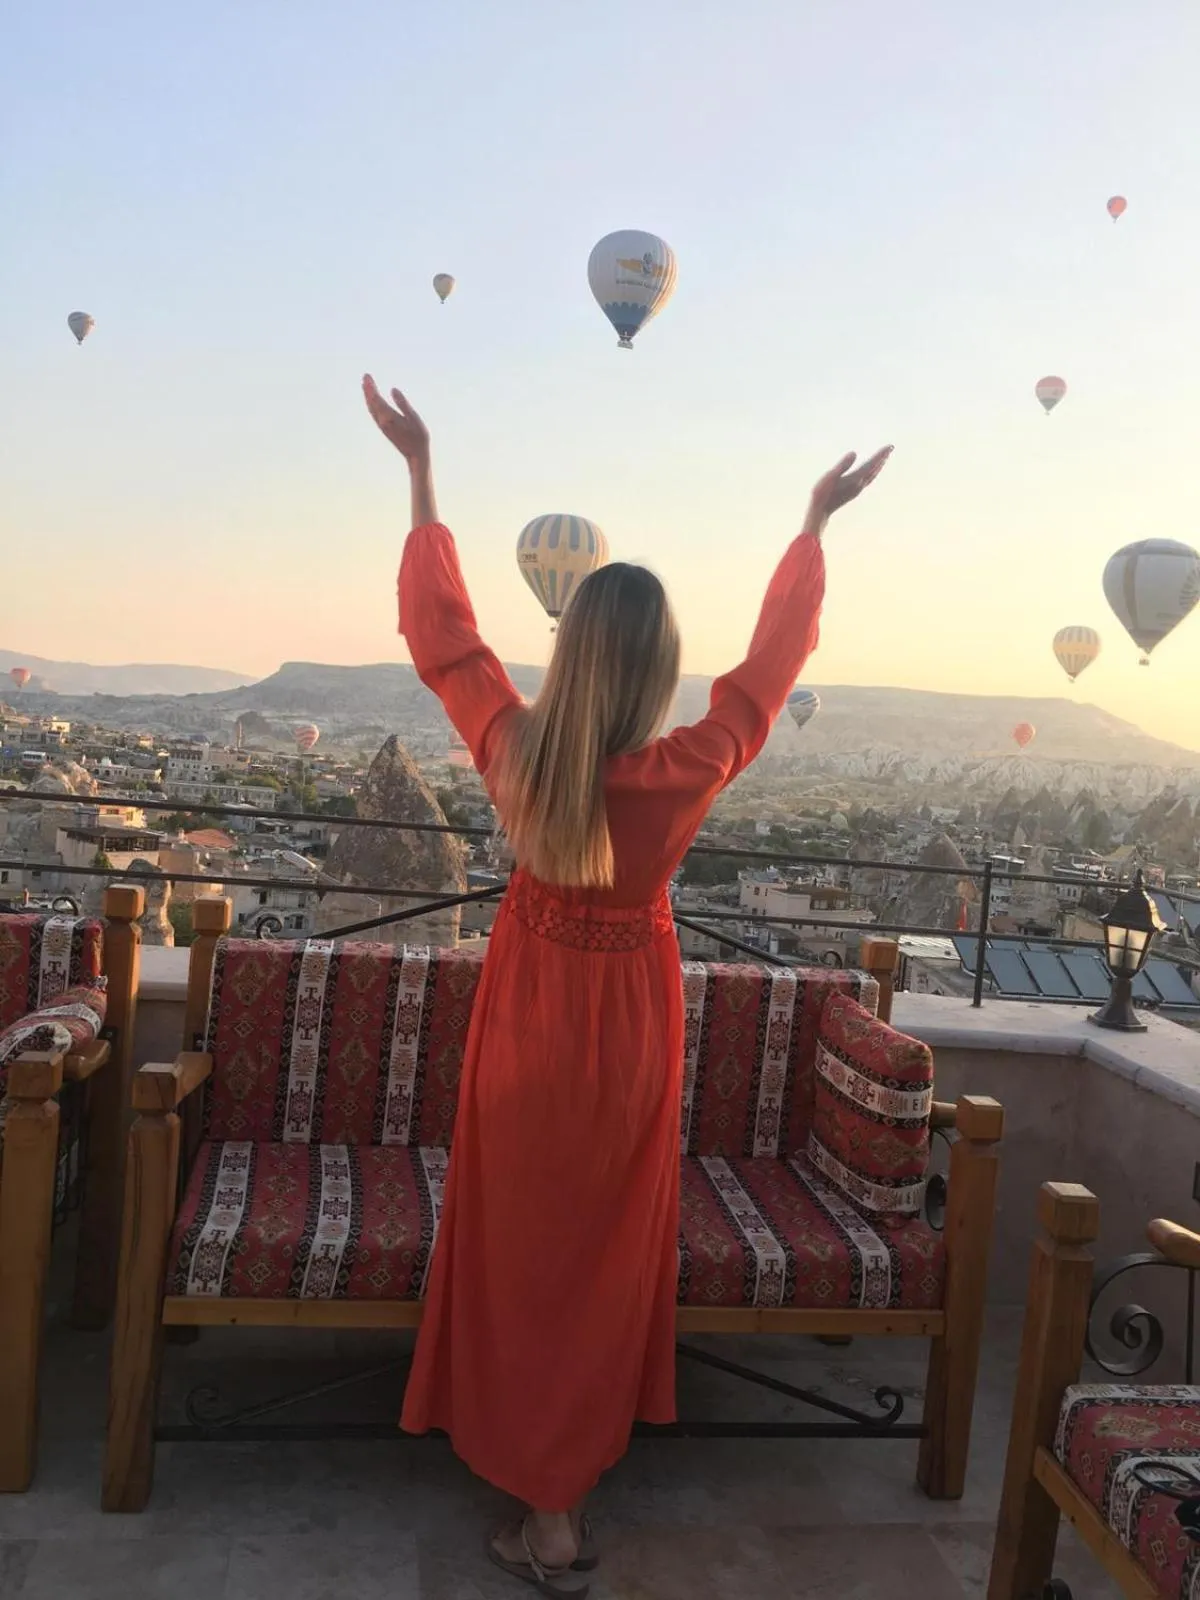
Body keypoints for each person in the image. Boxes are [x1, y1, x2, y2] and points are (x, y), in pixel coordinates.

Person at [363, 373, 891, 1597]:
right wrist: (811, 531)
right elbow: (767, 675)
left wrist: (422, 477)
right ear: (656, 669)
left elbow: (444, 636)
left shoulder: (511, 751)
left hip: (526, 1022)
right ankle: (560, 1505)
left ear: (568, 650)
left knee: (515, 1247)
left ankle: (523, 1480)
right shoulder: (686, 768)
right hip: (632, 1031)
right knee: (599, 1259)